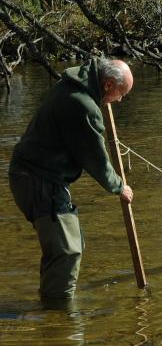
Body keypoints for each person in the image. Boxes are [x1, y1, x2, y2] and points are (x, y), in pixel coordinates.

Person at [8, 57, 134, 300]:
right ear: (107, 85)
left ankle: (51, 309)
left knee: (69, 245)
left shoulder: (74, 84)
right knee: (66, 252)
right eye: (121, 94)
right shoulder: (82, 105)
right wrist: (119, 187)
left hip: (31, 176)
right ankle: (59, 318)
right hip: (40, 181)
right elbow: (95, 158)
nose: (119, 100)